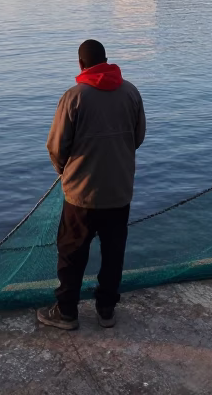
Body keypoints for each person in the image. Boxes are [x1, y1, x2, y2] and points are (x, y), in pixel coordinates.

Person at [37, 40, 146, 330]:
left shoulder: (74, 97)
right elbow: (138, 138)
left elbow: (56, 147)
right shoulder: (131, 92)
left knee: (72, 253)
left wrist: (65, 172)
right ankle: (106, 310)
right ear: (106, 60)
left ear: (81, 65)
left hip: (81, 195)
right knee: (113, 253)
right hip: (119, 192)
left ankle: (67, 312)